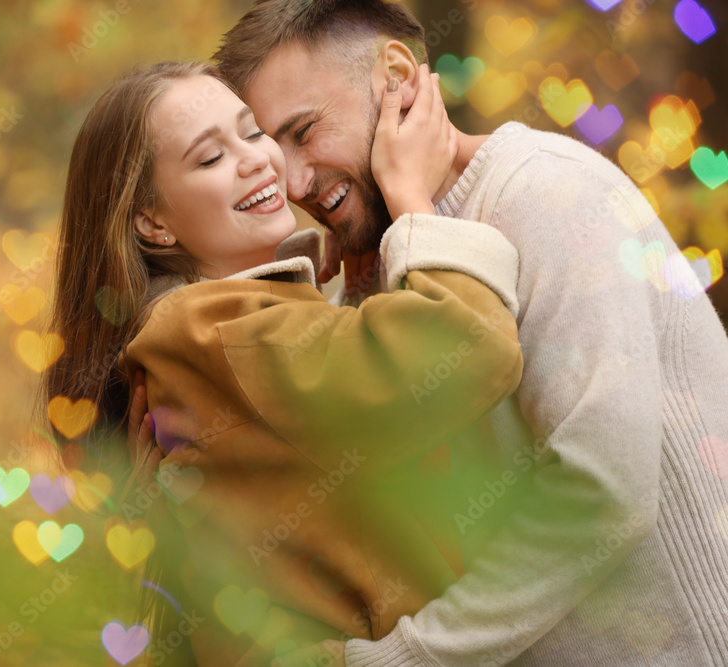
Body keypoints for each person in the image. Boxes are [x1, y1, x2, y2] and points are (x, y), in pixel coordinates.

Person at [208, 0, 728, 665]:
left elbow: (605, 492)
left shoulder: (549, 194)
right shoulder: (376, 263)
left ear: (396, 76)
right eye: (271, 151)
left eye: (304, 131)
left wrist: (401, 657)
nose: (297, 180)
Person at [44, 61, 526, 664]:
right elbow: (468, 352)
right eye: (209, 158)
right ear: (152, 222)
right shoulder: (212, 330)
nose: (255, 159)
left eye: (250, 132)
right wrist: (412, 202)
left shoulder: (218, 327)